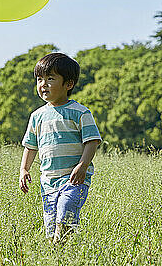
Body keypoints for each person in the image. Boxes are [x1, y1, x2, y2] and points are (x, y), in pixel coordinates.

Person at [19, 52, 102, 244]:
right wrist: (24, 169)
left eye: (50, 78)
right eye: (40, 79)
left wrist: (82, 166)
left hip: (74, 178)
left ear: (68, 84)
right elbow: (30, 146)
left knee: (65, 212)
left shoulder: (80, 112)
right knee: (51, 226)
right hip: (48, 181)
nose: (43, 84)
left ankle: (60, 247)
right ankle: (59, 254)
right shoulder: (37, 116)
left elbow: (92, 141)